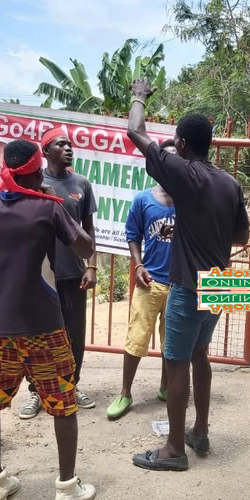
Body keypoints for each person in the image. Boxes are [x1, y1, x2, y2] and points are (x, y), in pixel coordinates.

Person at [0, 139, 96, 500]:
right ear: (37, 172)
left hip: (0, 327)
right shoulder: (46, 207)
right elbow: (84, 248)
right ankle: (67, 489)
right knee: (63, 402)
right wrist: (58, 204)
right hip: (43, 326)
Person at [126, 79, 250, 471]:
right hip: (221, 284)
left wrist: (139, 96)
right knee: (200, 356)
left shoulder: (183, 173)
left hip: (188, 285)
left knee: (177, 362)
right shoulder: (229, 182)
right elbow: (241, 235)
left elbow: (135, 131)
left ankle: (174, 449)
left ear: (181, 144)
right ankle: (199, 431)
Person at [19, 128, 98, 418]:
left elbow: (88, 229)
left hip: (74, 272)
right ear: (45, 151)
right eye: (60, 144)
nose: (68, 148)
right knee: (37, 335)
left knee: (74, 335)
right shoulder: (36, 183)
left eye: (69, 144)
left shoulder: (82, 184)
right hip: (41, 275)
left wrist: (91, 265)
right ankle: (35, 392)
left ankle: (71, 385)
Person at [106, 139, 176, 420]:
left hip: (180, 284)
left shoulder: (189, 201)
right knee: (136, 339)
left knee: (172, 343)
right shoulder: (143, 200)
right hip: (150, 281)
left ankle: (166, 387)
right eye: (165, 158)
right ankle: (125, 392)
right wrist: (137, 266)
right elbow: (132, 235)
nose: (170, 164)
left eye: (175, 159)